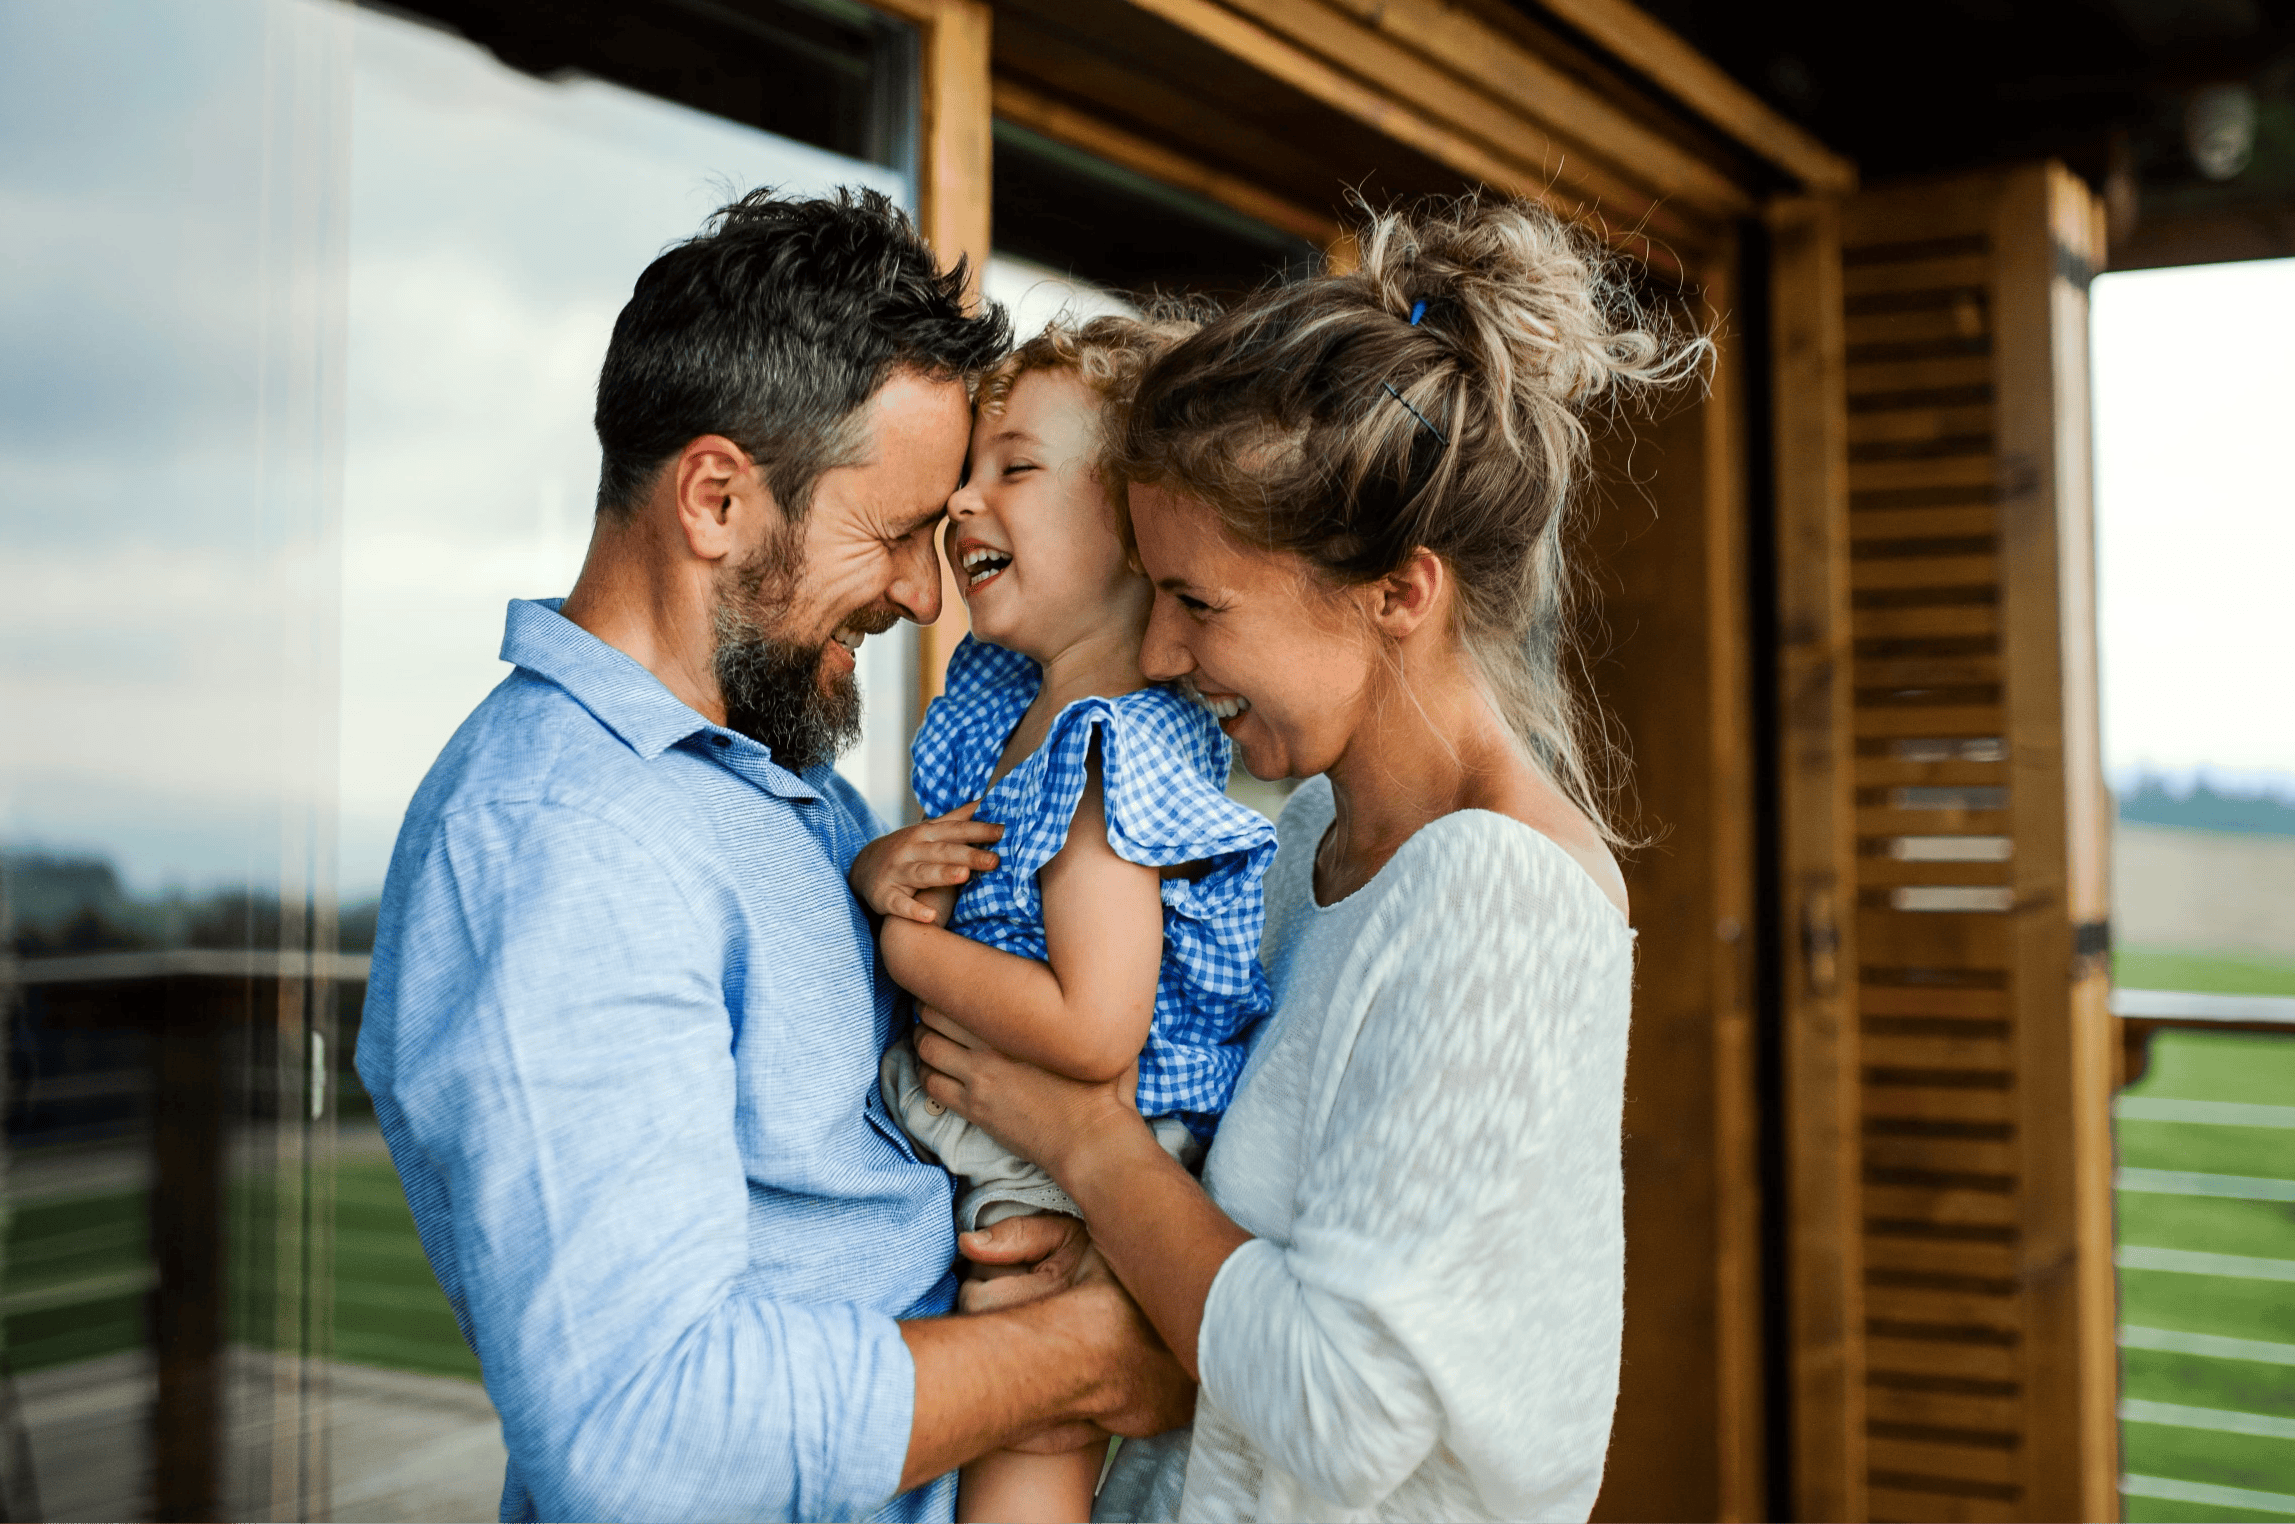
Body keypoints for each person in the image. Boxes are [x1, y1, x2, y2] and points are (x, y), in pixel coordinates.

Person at [354, 189, 1191, 1524]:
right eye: (896, 530)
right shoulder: (565, 849)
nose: (925, 593)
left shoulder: (783, 788)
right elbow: (643, 1435)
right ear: (715, 499)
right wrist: (1086, 1355)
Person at [914, 195, 1707, 1522]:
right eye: (1152, 596)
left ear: (1400, 592)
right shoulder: (1296, 852)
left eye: (1199, 606)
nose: (1161, 658)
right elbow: (1219, 1297)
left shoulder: (1497, 897)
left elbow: (1343, 1414)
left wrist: (1084, 1146)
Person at [852, 318, 1277, 1524]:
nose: (961, 502)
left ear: (1133, 528)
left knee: (1022, 1412)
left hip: (1063, 1159)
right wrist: (888, 864)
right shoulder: (1010, 711)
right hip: (1011, 1127)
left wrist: (903, 946)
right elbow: (964, 862)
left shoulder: (1106, 749)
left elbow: (1095, 1027)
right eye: (966, 472)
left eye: (1014, 469)